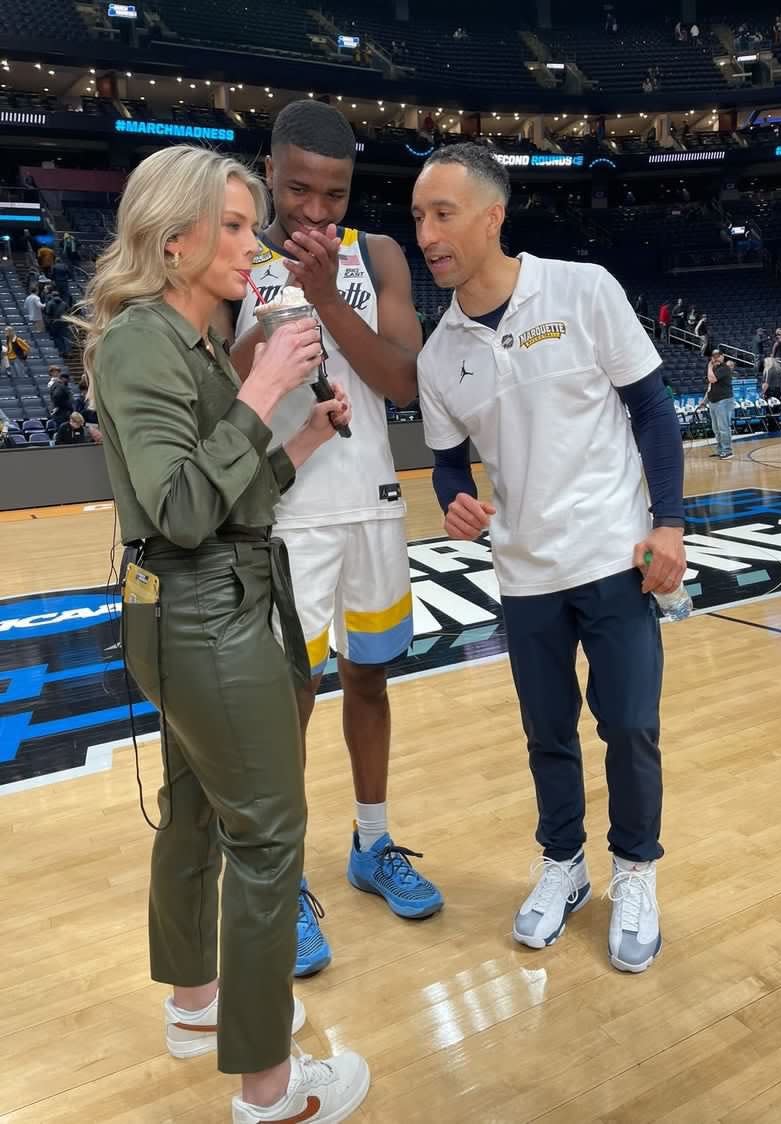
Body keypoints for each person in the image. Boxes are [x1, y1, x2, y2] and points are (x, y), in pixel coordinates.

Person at [79, 144, 367, 1124]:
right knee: (269, 835)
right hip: (206, 608)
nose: (256, 242)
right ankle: (268, 1089)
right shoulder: (138, 343)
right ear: (173, 241)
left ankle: (195, 1004)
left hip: (204, 600)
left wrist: (301, 437)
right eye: (235, 226)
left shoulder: (188, 342)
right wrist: (259, 391)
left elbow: (231, 495)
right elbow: (182, 511)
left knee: (198, 805)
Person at [412, 144, 686, 973]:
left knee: (629, 728)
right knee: (547, 733)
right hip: (524, 572)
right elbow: (450, 460)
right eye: (418, 216)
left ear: (492, 216)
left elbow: (652, 408)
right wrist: (451, 497)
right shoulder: (437, 355)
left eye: (443, 213)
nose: (426, 233)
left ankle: (634, 872)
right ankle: (562, 866)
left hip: (611, 554)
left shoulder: (582, 288)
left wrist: (668, 524)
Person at [225, 99, 442, 978]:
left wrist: (322, 300)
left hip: (375, 504)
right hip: (287, 515)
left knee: (369, 681)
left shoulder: (378, 254)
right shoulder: (237, 258)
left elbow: (403, 380)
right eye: (302, 190)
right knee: (289, 704)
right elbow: (222, 389)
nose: (318, 212)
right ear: (270, 172)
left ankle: (372, 845)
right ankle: (284, 883)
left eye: (337, 194)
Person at [707, 356, 736, 458]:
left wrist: (709, 367)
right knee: (716, 428)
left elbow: (712, 379)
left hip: (723, 401)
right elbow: (710, 388)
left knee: (723, 427)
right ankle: (720, 450)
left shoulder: (725, 368)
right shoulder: (715, 370)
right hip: (713, 401)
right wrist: (704, 401)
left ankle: (727, 451)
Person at [762, 356, 781, 431]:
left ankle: (770, 427)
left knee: (770, 410)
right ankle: (777, 426)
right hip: (778, 390)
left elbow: (766, 383)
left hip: (770, 391)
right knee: (776, 409)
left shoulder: (768, 370)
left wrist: (762, 392)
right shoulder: (779, 370)